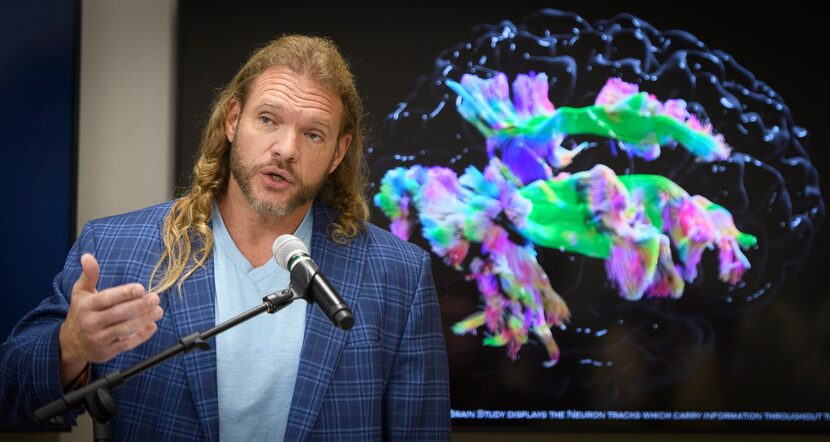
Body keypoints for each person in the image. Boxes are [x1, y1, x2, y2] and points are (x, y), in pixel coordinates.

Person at [0, 34, 451, 440]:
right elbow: (10, 398)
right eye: (268, 120)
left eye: (313, 134)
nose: (287, 149)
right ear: (233, 121)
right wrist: (71, 348)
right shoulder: (115, 248)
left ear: (338, 153)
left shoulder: (399, 276)